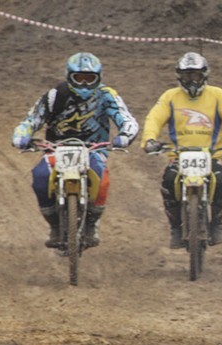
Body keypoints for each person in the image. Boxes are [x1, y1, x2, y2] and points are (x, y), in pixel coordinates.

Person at [12, 52, 139, 248]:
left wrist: (125, 136)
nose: (85, 85)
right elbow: (32, 119)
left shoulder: (106, 95)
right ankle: (54, 225)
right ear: (69, 76)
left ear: (99, 78)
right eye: (79, 79)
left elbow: (127, 119)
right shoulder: (56, 95)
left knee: (102, 179)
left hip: (93, 148)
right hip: (56, 147)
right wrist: (21, 136)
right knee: (40, 176)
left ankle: (91, 224)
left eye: (90, 79)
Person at [141, 52, 222, 248]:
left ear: (204, 76)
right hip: (178, 155)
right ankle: (175, 227)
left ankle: (216, 225)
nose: (191, 81)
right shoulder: (170, 97)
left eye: (196, 76)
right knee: (169, 182)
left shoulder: (217, 95)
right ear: (179, 76)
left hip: (211, 154)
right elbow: (154, 118)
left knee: (220, 181)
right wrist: (149, 139)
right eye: (187, 76)